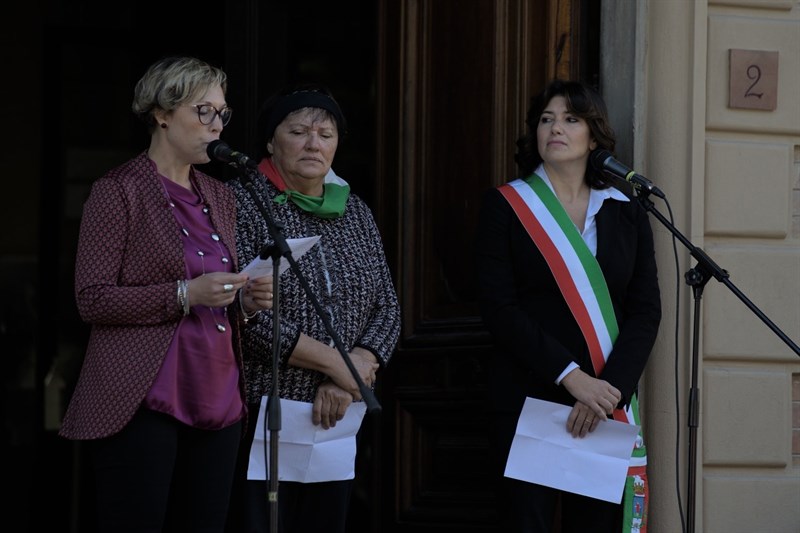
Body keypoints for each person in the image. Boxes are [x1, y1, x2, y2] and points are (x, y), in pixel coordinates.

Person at [59, 56, 275, 533]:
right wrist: (185, 293)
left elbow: (211, 292)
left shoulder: (219, 195)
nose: (216, 124)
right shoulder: (118, 191)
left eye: (223, 113)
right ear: (161, 113)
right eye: (204, 111)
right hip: (144, 398)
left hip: (217, 394)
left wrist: (243, 300)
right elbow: (91, 298)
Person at [474, 79, 661, 532]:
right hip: (529, 402)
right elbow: (499, 308)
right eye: (546, 119)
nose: (555, 128)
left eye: (571, 119)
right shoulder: (507, 206)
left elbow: (645, 311)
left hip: (603, 407)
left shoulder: (626, 210)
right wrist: (572, 378)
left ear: (593, 137)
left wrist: (606, 390)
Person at [225, 84, 401, 533]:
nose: (313, 143)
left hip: (338, 417)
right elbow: (247, 316)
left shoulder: (355, 211)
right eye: (299, 131)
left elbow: (388, 308)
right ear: (270, 141)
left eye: (325, 134)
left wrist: (348, 376)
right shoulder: (240, 202)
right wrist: (343, 367)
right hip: (261, 411)